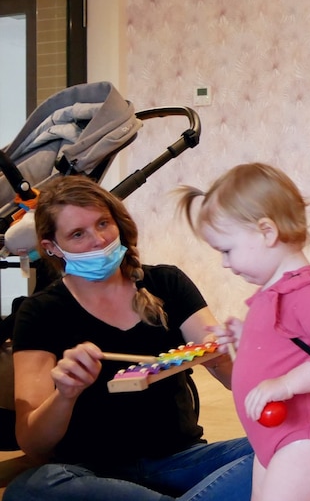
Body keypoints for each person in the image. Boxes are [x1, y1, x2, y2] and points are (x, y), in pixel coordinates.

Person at [6, 175, 253, 501]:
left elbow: (238, 380)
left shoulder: (167, 283)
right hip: (93, 476)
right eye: (78, 234)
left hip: (181, 462)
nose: (97, 240)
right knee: (32, 487)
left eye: (103, 223)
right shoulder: (39, 312)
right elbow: (33, 442)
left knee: (295, 447)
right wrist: (65, 396)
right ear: (52, 247)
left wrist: (226, 355)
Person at [177, 163, 310, 501]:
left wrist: (285, 385)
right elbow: (284, 348)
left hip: (308, 436)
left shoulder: (307, 291)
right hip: (275, 435)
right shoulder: (275, 292)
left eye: (227, 249)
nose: (224, 263)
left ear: (266, 232)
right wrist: (242, 339)